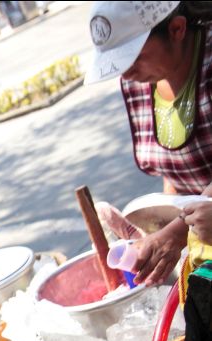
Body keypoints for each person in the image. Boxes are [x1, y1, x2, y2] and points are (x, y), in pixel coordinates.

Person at [85, 1, 212, 287]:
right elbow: (175, 167)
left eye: (133, 57)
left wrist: (178, 232)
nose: (125, 73)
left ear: (177, 29)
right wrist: (157, 224)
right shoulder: (140, 82)